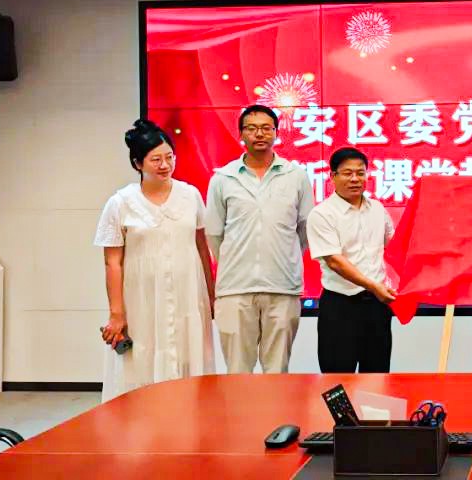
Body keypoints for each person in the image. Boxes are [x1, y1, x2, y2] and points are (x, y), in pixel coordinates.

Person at [94, 119, 215, 401]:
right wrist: (116, 313)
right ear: (138, 164)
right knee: (142, 359)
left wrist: (211, 294)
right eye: (156, 159)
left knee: (187, 355)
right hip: (142, 299)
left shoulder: (190, 195)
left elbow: (201, 247)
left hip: (187, 295)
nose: (165, 165)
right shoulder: (120, 202)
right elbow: (113, 262)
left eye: (169, 157)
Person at [206, 104, 314, 374]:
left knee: (277, 370)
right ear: (241, 134)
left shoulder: (296, 176)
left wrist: (282, 255)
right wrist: (236, 259)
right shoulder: (223, 178)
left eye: (266, 128)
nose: (259, 134)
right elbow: (215, 233)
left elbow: (304, 228)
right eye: (252, 128)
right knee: (238, 371)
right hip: (235, 287)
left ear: (276, 132)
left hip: (283, 286)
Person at [306, 147, 397, 373]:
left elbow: (395, 246)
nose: (355, 179)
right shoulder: (322, 214)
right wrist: (374, 286)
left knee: (377, 376)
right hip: (340, 306)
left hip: (377, 306)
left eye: (360, 173)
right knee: (337, 378)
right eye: (347, 173)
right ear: (333, 176)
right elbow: (334, 261)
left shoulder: (377, 209)